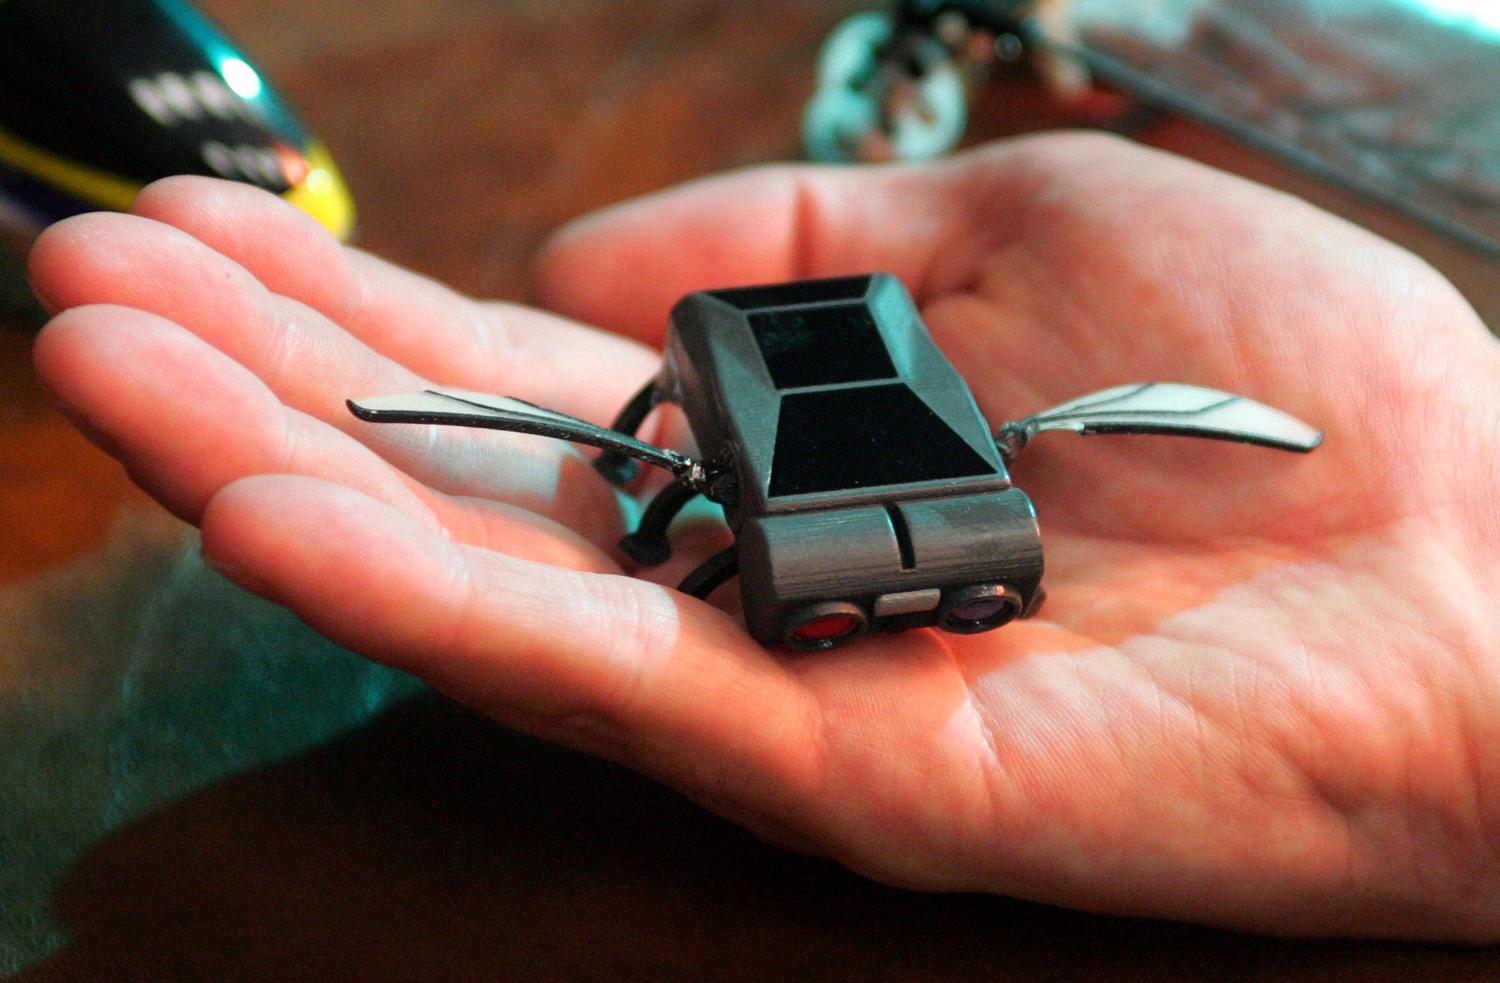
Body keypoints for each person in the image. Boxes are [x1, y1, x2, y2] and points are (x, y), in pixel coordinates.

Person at [27, 132, 1500, 940]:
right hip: (926, 523)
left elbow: (658, 467)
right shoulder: (782, 389)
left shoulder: (719, 387)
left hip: (849, 530)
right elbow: (659, 457)